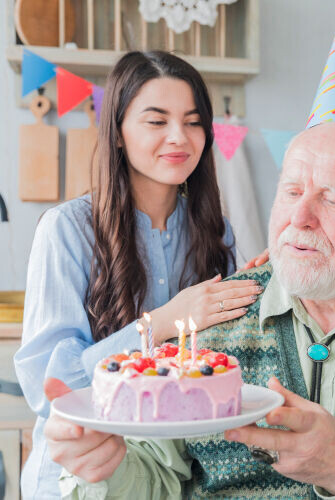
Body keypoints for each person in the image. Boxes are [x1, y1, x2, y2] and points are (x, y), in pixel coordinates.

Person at [45, 119, 335, 499]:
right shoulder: (213, 321)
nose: (300, 218)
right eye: (291, 192)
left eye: (333, 198)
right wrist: (107, 471)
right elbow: (155, 480)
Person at [13, 51, 263, 500]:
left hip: (174, 481)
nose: (179, 137)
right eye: (156, 120)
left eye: (192, 121)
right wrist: (161, 322)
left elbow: (228, 355)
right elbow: (51, 388)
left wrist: (264, 286)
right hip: (79, 481)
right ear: (119, 133)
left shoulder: (216, 232)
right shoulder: (67, 229)